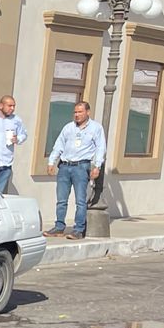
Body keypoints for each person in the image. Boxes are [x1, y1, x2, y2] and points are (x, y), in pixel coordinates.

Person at [45, 101, 105, 240]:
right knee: (61, 200)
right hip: (65, 166)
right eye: (75, 112)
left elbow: (100, 148)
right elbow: (59, 144)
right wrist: (51, 161)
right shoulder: (68, 128)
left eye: (80, 112)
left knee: (80, 200)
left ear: (87, 112)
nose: (77, 115)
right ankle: (59, 227)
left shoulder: (96, 128)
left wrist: (97, 166)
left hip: (81, 166)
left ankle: (78, 229)